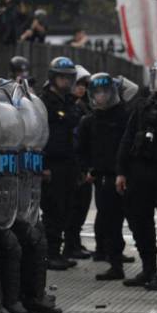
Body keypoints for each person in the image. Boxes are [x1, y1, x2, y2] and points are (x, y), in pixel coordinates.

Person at [78, 73, 134, 281]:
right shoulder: (89, 121)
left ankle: (149, 266)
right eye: (97, 93)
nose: (101, 96)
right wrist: (88, 169)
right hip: (103, 178)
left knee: (136, 220)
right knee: (110, 222)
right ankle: (115, 263)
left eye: (105, 92)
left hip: (126, 176)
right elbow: (81, 149)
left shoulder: (125, 116)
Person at [116, 59, 157, 288]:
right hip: (140, 170)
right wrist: (121, 171)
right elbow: (127, 139)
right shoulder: (143, 105)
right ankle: (148, 268)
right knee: (139, 221)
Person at [40, 57, 81, 270]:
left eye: (69, 78)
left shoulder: (69, 102)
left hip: (68, 164)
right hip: (52, 164)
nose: (66, 81)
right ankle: (51, 253)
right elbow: (39, 135)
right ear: (53, 78)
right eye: (62, 77)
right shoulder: (44, 102)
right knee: (53, 211)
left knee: (66, 209)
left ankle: (59, 251)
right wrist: (43, 165)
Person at [63, 65, 93, 260]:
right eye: (78, 84)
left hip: (82, 162)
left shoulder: (83, 105)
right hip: (72, 162)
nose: (81, 88)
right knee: (73, 207)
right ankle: (70, 244)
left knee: (82, 206)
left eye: (84, 85)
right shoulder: (68, 106)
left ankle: (74, 242)